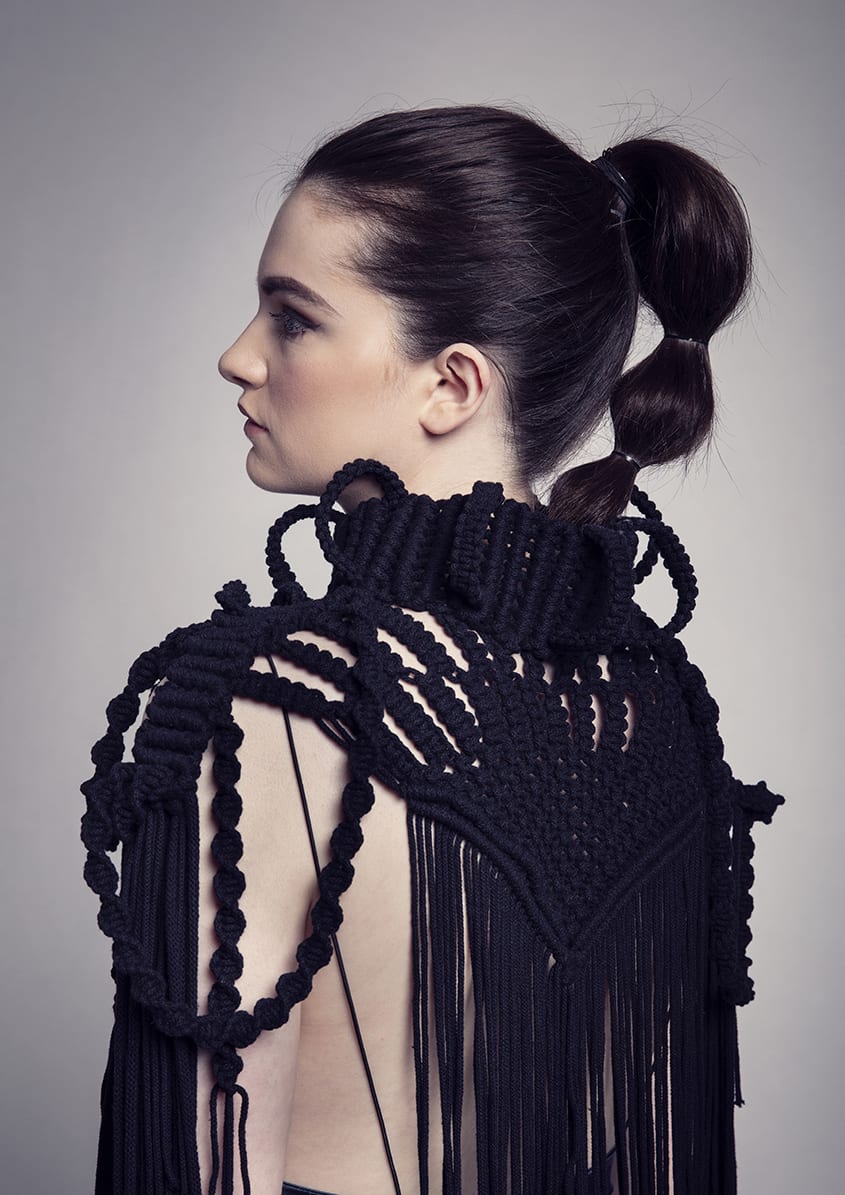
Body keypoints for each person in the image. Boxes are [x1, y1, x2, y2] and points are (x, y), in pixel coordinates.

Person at [81, 104, 784, 1195]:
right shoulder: (655, 710)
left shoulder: (272, 701)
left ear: (450, 385)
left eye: (293, 318)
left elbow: (198, 1166)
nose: (238, 355)